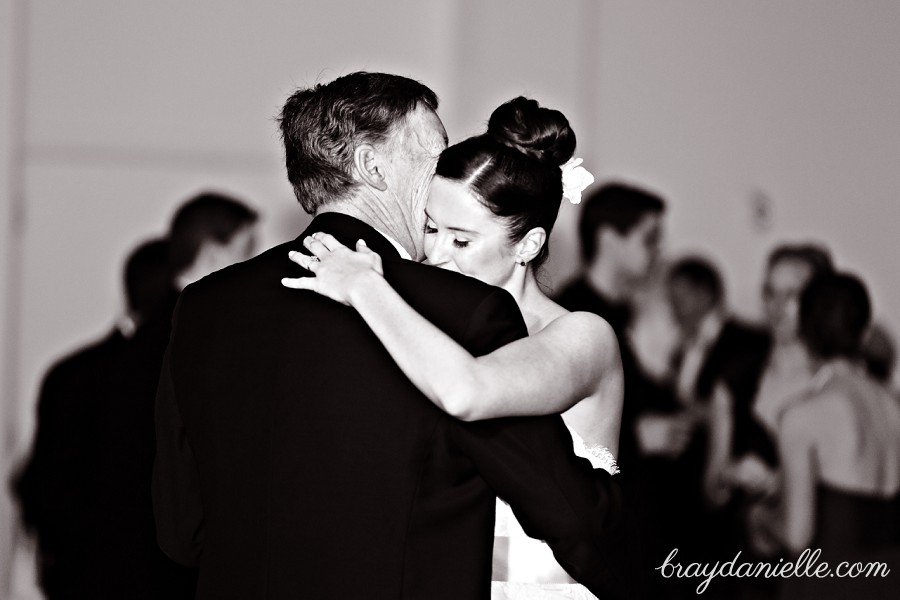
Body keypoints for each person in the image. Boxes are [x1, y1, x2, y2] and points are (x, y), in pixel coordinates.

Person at [152, 73, 640, 600]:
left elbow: (183, 533)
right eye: (435, 154)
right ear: (371, 166)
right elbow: (567, 511)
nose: (445, 171)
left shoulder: (204, 307)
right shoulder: (460, 311)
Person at [283, 95, 624, 600]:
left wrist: (365, 288)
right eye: (429, 228)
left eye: (461, 241)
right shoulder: (427, 329)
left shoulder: (582, 336)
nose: (434, 255)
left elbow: (470, 391)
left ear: (528, 245)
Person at [13, 238, 191, 600]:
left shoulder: (70, 373)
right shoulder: (179, 375)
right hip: (159, 579)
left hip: (81, 574)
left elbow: (38, 485)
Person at [775, 272, 900, 599]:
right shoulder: (893, 405)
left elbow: (796, 535)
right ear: (865, 331)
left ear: (803, 333)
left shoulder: (802, 416)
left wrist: (759, 518)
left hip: (831, 583)